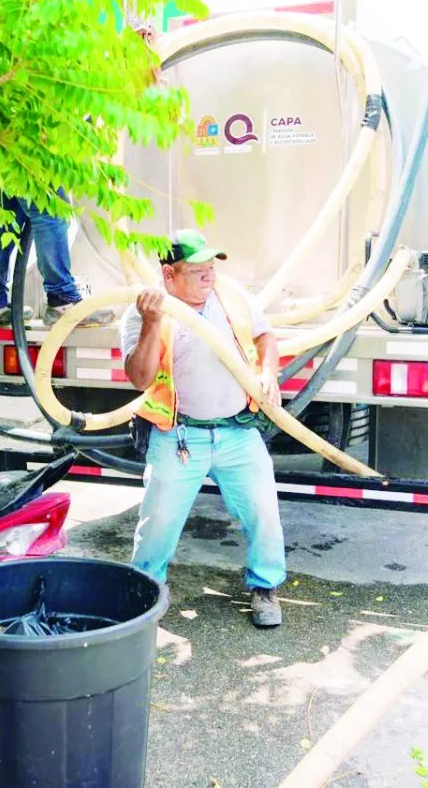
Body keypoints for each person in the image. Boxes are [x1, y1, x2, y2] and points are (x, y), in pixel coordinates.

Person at [121, 229, 286, 628]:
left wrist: (267, 373)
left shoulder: (231, 297)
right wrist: (150, 323)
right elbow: (139, 379)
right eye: (198, 271)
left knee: (265, 511)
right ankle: (146, 592)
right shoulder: (141, 312)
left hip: (237, 431)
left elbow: (265, 336)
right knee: (157, 523)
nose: (209, 277)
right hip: (179, 437)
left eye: (211, 267)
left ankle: (265, 587)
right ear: (169, 274)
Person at [0, 190, 114, 329]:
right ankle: (62, 301)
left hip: (3, 166)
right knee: (51, 211)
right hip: (33, 167)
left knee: (5, 219)